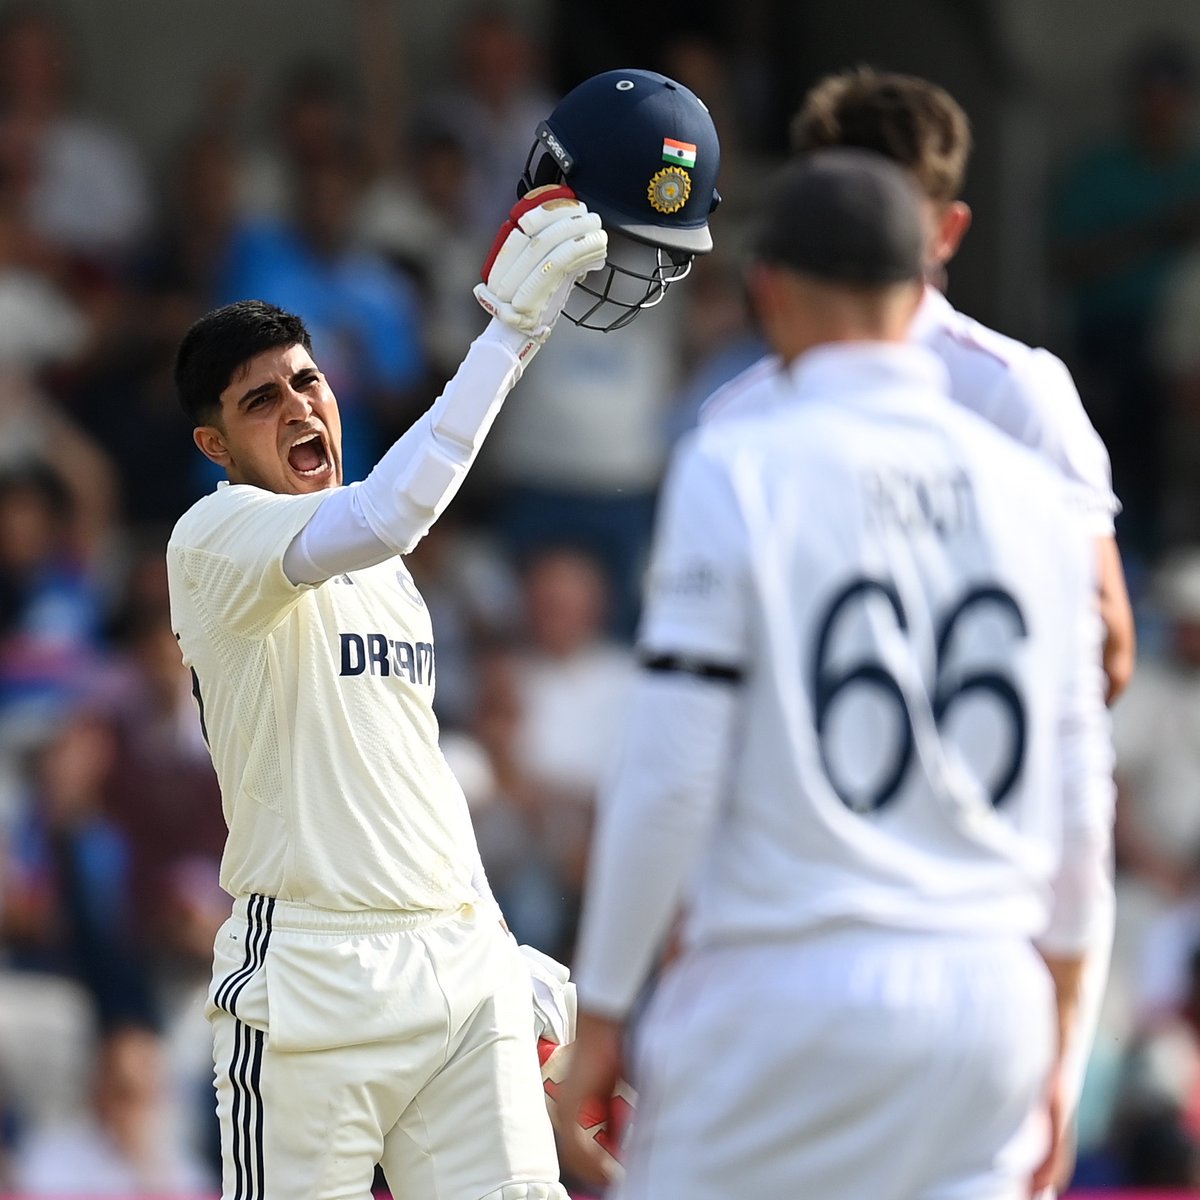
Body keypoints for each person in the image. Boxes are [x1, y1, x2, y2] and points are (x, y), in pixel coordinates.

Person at [166, 66, 720, 1200]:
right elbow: (394, 510)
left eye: (307, 382)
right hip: (311, 982)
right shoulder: (214, 539)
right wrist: (513, 328)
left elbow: (402, 778)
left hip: (453, 973)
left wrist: (493, 947)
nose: (299, 407)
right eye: (260, 400)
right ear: (214, 446)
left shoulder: (384, 571)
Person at [554, 149, 1115, 1200]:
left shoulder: (738, 461)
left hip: (781, 988)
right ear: (923, 289)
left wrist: (604, 1011)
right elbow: (1083, 806)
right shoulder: (1037, 498)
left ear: (768, 291)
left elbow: (672, 772)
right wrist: (1067, 1043)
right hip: (988, 1003)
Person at [702, 67, 1135, 709]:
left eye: (891, 215)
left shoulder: (1018, 391)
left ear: (948, 232)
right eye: (837, 212)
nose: (862, 238)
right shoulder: (734, 417)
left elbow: (1105, 648)